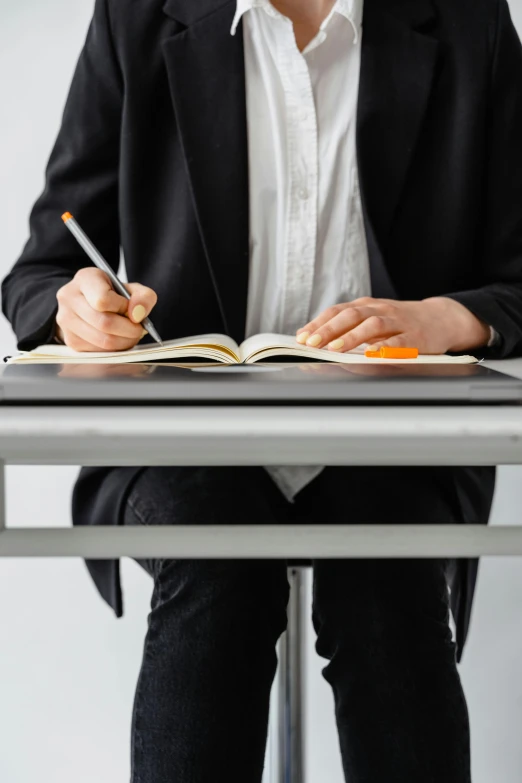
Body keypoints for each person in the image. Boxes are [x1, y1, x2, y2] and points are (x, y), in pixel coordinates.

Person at [3, 0, 522, 780]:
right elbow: (38, 274)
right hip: (184, 443)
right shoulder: (138, 17)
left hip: (395, 442)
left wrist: (441, 318)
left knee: (386, 575)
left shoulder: (467, 21)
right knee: (216, 559)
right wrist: (74, 308)